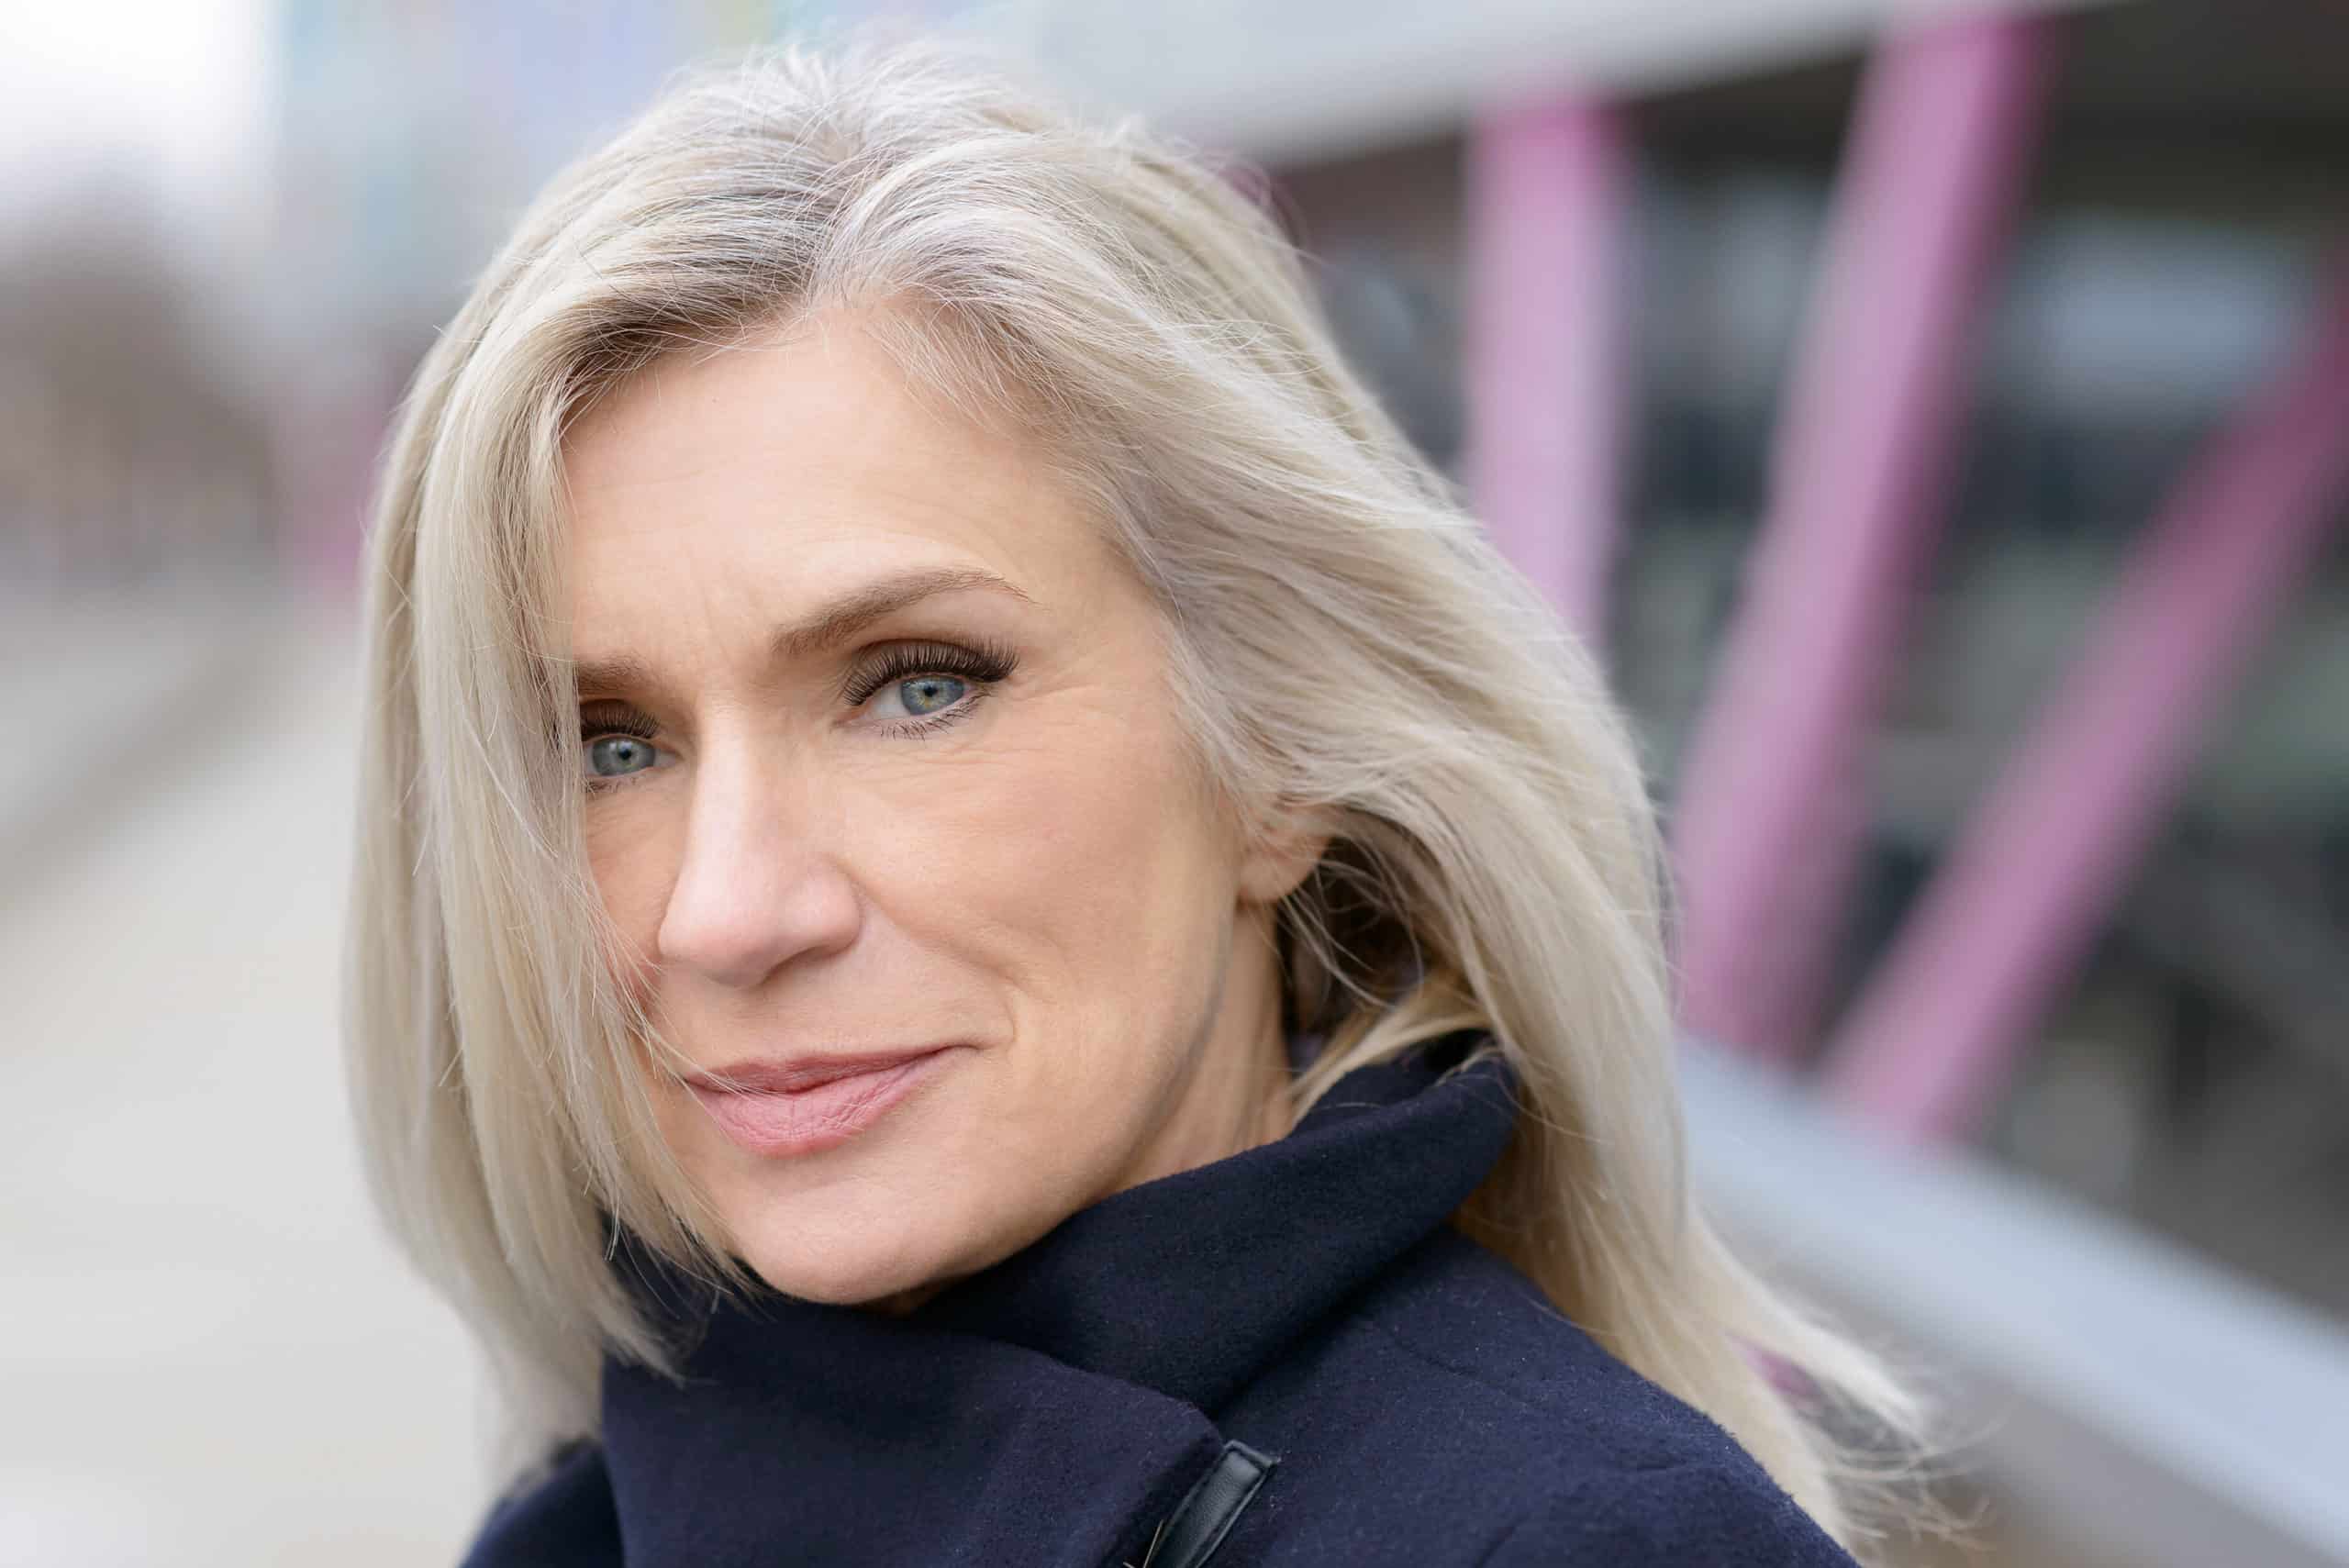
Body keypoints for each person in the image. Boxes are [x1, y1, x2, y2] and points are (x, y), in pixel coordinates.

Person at [344, 34, 1941, 1567]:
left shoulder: (1579, 1541)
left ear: (1279, 755)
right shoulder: (603, 1502)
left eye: (919, 685)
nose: (729, 910)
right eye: (610, 745)